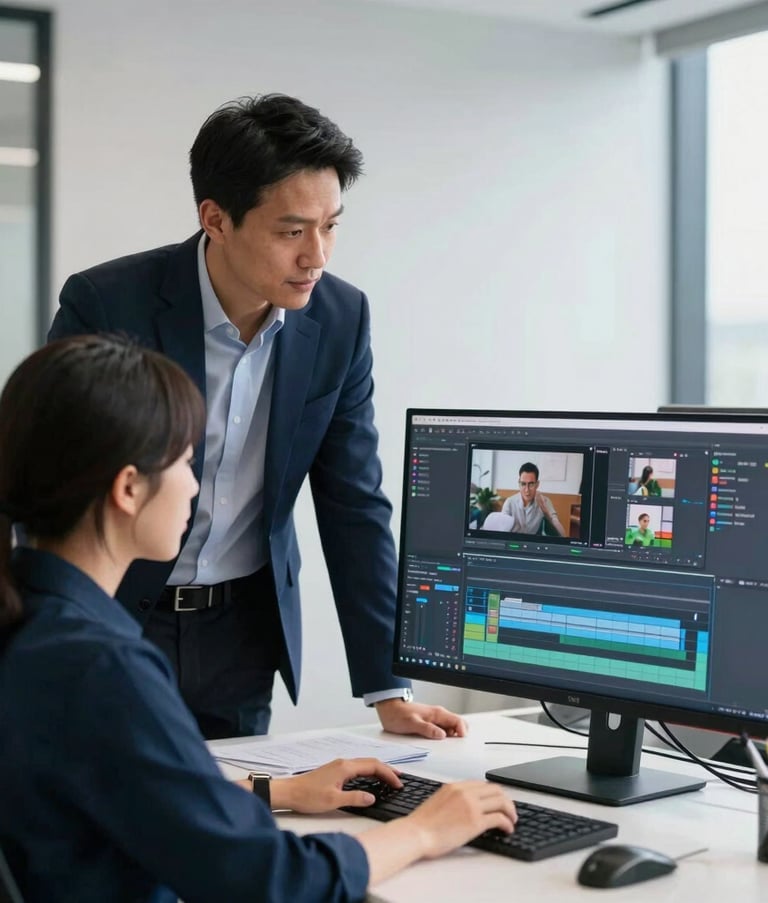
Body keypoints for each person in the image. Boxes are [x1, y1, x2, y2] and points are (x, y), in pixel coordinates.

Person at [0, 335, 517, 903]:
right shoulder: (102, 667)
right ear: (128, 488)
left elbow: (147, 794)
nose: (196, 487)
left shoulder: (30, 620)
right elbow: (268, 878)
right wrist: (424, 830)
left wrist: (283, 790)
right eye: (187, 463)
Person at [48, 93, 465, 741]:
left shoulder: (339, 319)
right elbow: (47, 482)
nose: (317, 256)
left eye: (331, 226)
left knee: (238, 822)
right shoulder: (109, 303)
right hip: (118, 615)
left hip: (241, 631)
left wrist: (388, 685)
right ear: (215, 218)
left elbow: (354, 503)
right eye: (292, 231)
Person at [500, 463, 566, 537]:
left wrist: (546, 513)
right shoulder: (510, 502)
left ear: (537, 484)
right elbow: (501, 530)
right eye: (523, 484)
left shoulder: (544, 501)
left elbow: (562, 535)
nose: (527, 490)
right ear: (519, 483)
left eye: (531, 484)